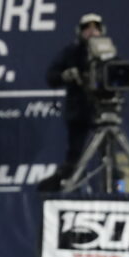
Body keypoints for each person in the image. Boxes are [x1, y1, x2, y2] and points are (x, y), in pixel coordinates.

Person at [40, 13, 105, 191]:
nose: (91, 32)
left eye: (96, 28)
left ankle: (110, 189)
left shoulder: (108, 52)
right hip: (79, 111)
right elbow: (51, 76)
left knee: (107, 154)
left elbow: (120, 75)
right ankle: (71, 190)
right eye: (87, 28)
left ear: (102, 31)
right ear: (80, 31)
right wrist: (65, 75)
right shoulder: (71, 52)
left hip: (103, 110)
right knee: (75, 156)